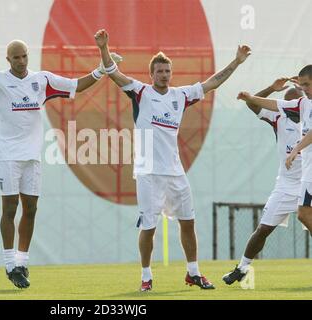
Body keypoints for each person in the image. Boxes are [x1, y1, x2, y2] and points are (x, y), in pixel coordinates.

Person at [0, 40, 117, 289]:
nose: (21, 61)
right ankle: (9, 264)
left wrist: (102, 69)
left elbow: (76, 86)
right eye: (15, 57)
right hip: (7, 154)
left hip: (32, 156)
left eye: (24, 56)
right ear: (8, 60)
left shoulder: (43, 80)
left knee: (31, 208)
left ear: (28, 56)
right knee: (10, 207)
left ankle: (22, 261)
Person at [94, 29, 251, 291]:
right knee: (149, 227)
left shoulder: (181, 96)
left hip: (175, 171)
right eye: (159, 71)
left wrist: (236, 61)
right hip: (148, 172)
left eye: (167, 71)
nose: (164, 75)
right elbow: (113, 72)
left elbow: (213, 82)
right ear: (151, 74)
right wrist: (103, 48)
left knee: (188, 222)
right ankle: (146, 276)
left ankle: (194, 273)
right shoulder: (141, 92)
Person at [222, 78, 303, 285]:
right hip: (286, 185)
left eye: (292, 103)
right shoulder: (278, 117)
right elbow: (253, 103)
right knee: (264, 229)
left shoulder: (309, 116)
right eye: (284, 104)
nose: (287, 108)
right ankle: (241, 268)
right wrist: (271, 89)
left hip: (308, 183)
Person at [237, 65, 312, 236]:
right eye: (303, 86)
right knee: (302, 215)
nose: (304, 90)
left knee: (305, 214)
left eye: (307, 85)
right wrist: (252, 97)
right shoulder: (300, 106)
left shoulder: (306, 104)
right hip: (297, 179)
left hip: (308, 175)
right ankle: (243, 264)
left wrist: (295, 150)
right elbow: (276, 104)